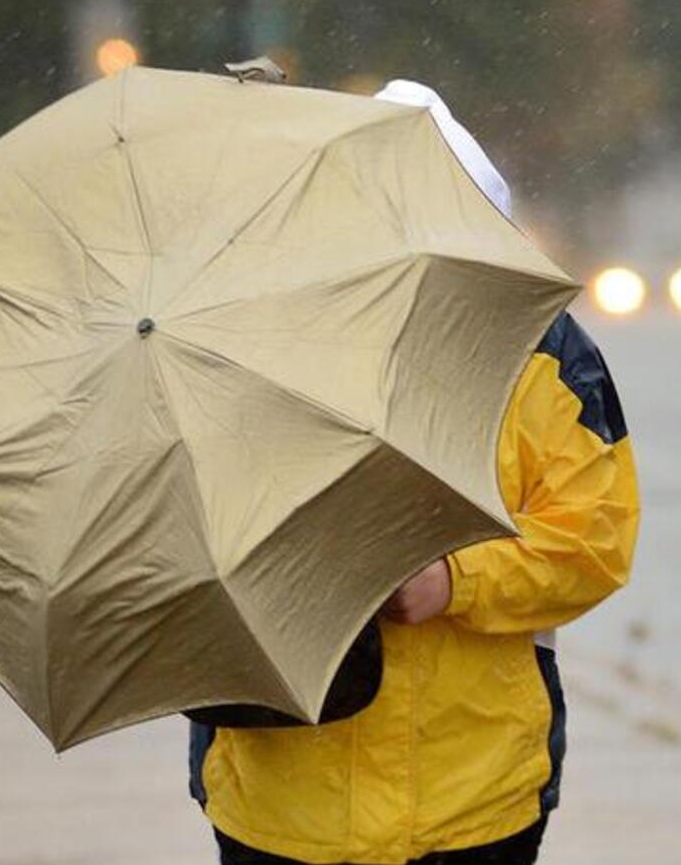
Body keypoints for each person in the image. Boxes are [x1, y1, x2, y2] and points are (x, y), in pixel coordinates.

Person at [188, 80, 640, 865]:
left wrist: (453, 582)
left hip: (474, 800)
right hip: (279, 798)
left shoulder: (547, 357)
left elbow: (593, 544)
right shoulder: (242, 344)